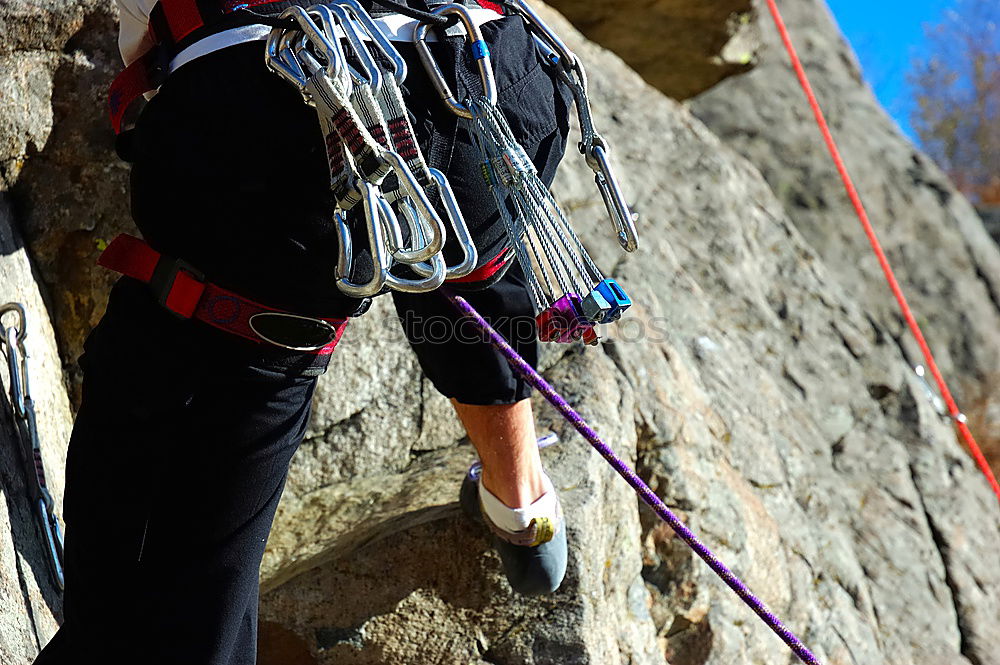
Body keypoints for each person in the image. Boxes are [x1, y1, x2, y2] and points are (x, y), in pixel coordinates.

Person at [33, 0, 572, 663]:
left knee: (224, 360)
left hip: (273, 101)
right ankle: (521, 502)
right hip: (482, 73)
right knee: (465, 258)